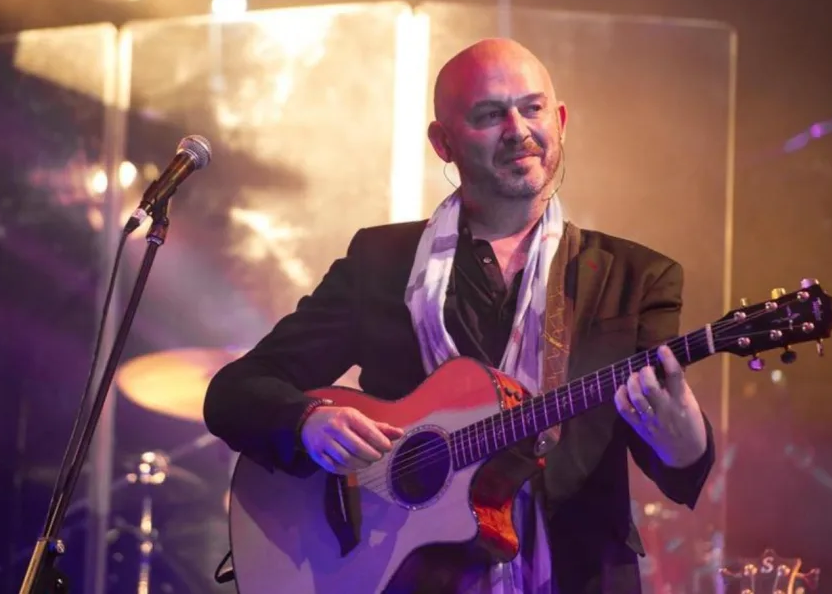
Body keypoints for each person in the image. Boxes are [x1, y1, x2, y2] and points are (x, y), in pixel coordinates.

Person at [203, 38, 715, 594]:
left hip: (576, 577)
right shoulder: (380, 263)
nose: (517, 128)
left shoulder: (637, 277)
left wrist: (683, 433)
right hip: (404, 579)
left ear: (561, 121)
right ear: (442, 142)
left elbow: (675, 467)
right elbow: (234, 391)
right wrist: (306, 422)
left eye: (533, 107)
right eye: (490, 114)